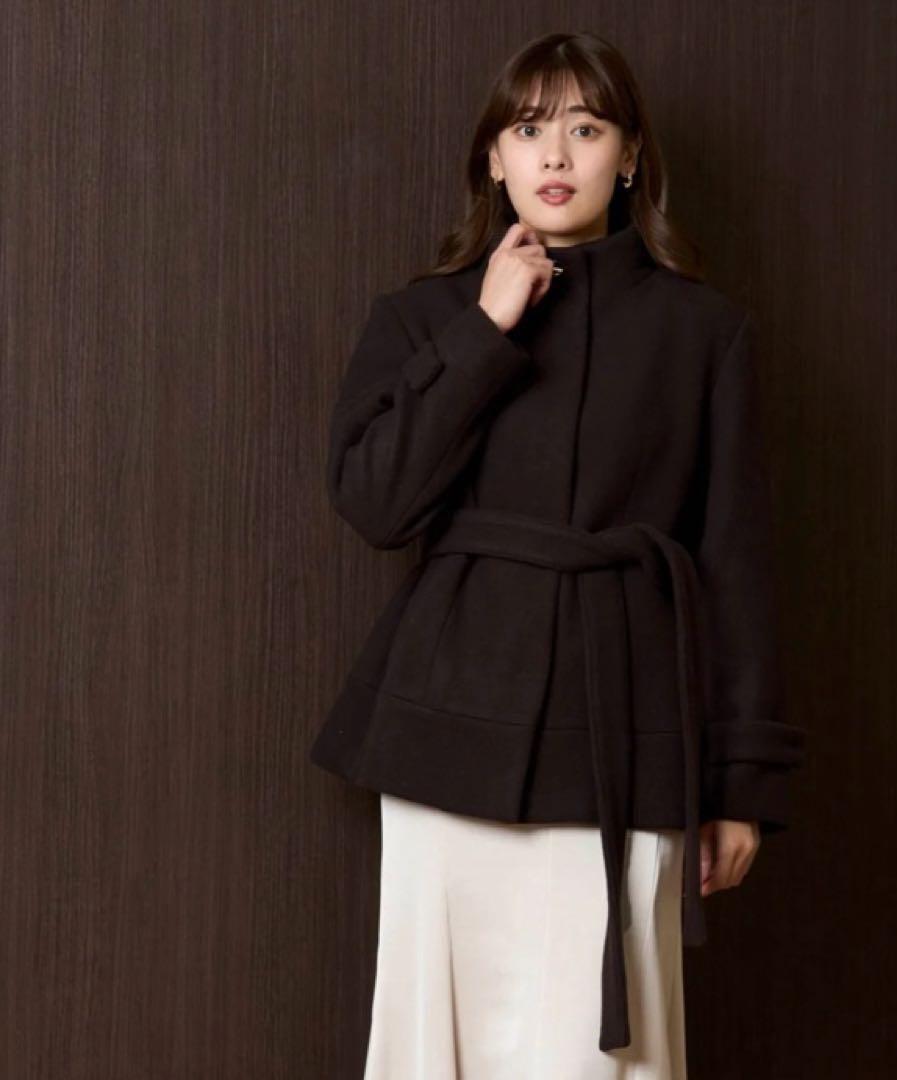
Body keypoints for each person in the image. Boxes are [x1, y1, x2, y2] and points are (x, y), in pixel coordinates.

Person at [310, 29, 807, 1079]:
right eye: (529, 128)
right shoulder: (425, 316)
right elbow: (377, 502)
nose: (555, 154)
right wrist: (486, 330)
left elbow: (736, 562)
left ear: (628, 159)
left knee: (593, 1051)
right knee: (438, 1037)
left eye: (586, 129)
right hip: (449, 719)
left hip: (626, 721)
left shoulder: (704, 331)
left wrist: (740, 784)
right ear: (493, 158)